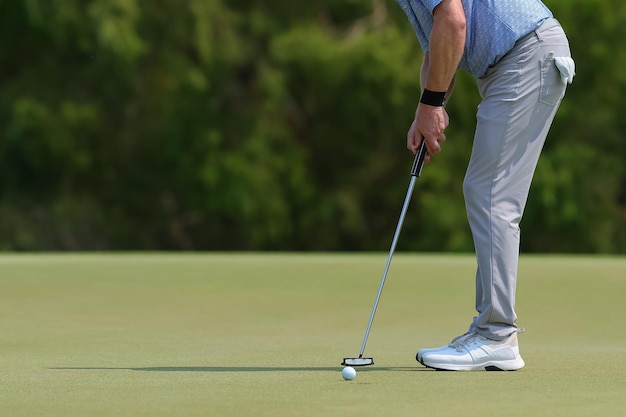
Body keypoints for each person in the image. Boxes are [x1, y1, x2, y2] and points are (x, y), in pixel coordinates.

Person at [395, 0, 575, 371]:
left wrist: (431, 107)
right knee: (487, 191)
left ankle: (496, 335)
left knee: (491, 194)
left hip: (525, 54)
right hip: (519, 58)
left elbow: (454, 22)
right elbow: (439, 45)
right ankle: (492, 331)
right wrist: (427, 109)